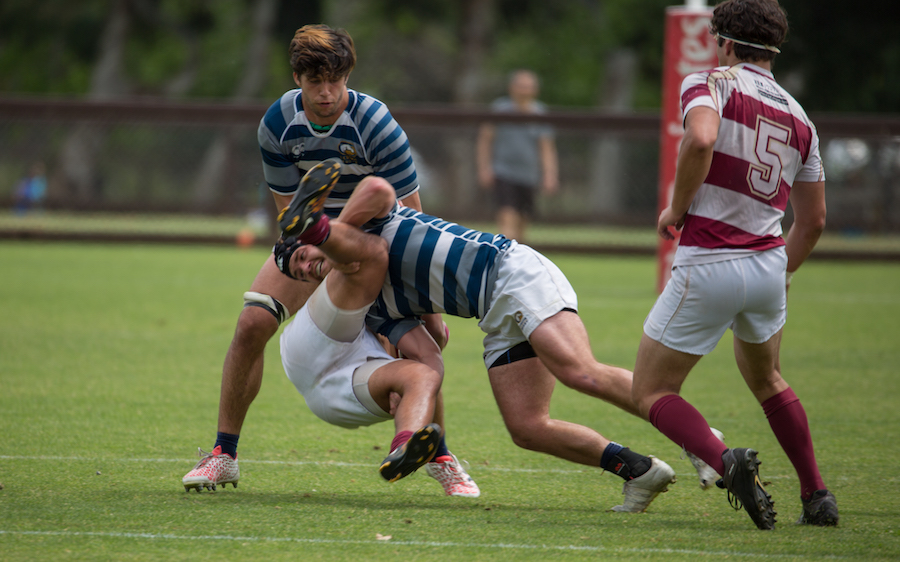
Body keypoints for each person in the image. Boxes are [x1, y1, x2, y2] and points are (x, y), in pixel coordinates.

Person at [276, 161, 683, 513]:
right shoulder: (377, 308)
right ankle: (639, 470)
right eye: (300, 269)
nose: (309, 267)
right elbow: (428, 354)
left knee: (580, 372)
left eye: (306, 253)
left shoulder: (365, 224)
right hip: (494, 313)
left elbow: (379, 187)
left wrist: (332, 232)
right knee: (527, 427)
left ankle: (692, 432)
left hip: (511, 273)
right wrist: (425, 382)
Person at [183, 24, 444, 491]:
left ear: (348, 76)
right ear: (297, 78)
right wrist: (317, 261)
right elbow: (291, 216)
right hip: (315, 238)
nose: (326, 94)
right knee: (251, 324)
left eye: (336, 82)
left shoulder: (376, 123)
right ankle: (224, 454)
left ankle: (440, 455)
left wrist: (425, 305)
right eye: (314, 82)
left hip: (377, 244)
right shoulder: (278, 124)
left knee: (421, 342)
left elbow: (413, 221)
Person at [630, 0, 837, 530]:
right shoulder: (801, 116)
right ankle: (817, 495)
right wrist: (779, 272)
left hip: (710, 260)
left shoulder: (710, 82)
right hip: (768, 266)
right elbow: (812, 222)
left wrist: (675, 208)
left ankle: (726, 461)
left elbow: (701, 137)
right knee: (767, 379)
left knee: (651, 390)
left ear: (721, 40)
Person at [476, 69, 559, 242]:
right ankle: (505, 256)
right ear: (511, 88)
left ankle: (518, 258)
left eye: (528, 87)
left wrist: (550, 175)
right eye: (521, 86)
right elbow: (485, 140)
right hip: (503, 171)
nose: (524, 91)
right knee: (507, 214)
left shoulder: (540, 113)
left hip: (529, 175)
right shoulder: (499, 109)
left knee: (522, 221)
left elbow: (546, 148)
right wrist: (484, 168)